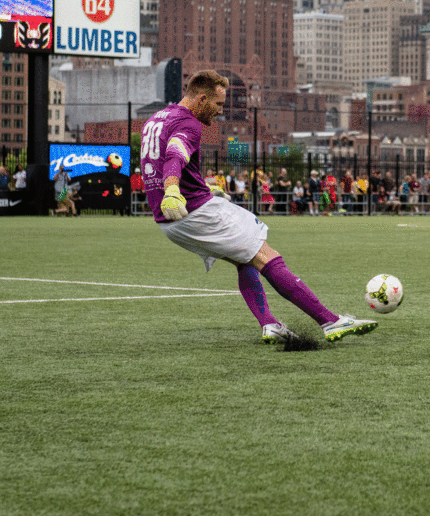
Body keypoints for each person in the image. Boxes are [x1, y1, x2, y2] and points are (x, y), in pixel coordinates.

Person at [142, 69, 376, 344]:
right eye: (218, 104)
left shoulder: (156, 118)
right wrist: (172, 189)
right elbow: (174, 156)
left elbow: (159, 164)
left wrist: (201, 187)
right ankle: (330, 321)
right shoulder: (189, 123)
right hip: (193, 210)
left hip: (169, 221)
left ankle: (270, 324)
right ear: (202, 98)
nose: (220, 111)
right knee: (265, 253)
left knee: (246, 258)